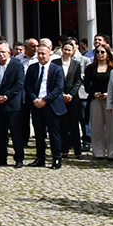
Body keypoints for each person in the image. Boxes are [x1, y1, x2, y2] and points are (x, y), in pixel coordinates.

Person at [25, 40, 66, 168]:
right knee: (39, 134)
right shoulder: (32, 68)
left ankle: (56, 158)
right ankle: (40, 158)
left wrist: (45, 100)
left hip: (51, 105)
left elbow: (58, 88)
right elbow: (28, 85)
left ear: (49, 54)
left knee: (54, 134)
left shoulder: (56, 69)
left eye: (43, 53)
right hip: (36, 105)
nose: (41, 56)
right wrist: (34, 99)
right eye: (39, 53)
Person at [0, 42, 26, 167]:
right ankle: (1, 157)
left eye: (3, 52)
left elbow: (18, 84)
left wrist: (6, 96)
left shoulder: (17, 66)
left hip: (12, 105)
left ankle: (19, 158)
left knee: (15, 133)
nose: (1, 54)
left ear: (9, 53)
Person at [85, 45, 113, 160]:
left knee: (112, 127)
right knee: (96, 126)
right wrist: (94, 93)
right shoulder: (90, 68)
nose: (100, 54)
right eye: (98, 52)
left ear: (108, 54)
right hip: (95, 99)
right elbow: (86, 84)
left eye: (102, 52)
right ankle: (98, 152)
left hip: (110, 99)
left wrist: (109, 94)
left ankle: (112, 152)